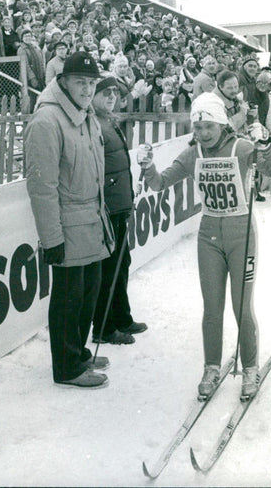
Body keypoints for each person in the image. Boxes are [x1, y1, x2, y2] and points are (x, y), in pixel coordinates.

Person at [136, 92, 271, 399]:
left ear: (221, 124)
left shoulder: (240, 147)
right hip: (209, 236)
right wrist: (148, 166)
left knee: (241, 307)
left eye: (209, 127)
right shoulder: (193, 154)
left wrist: (265, 146)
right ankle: (211, 367)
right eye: (198, 127)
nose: (203, 134)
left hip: (241, 234)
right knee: (211, 309)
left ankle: (250, 369)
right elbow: (159, 184)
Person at [23, 51, 114, 389]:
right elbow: (42, 187)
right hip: (67, 224)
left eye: (91, 83)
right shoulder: (47, 121)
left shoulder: (85, 114)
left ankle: (78, 352)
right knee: (68, 299)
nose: (88, 89)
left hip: (91, 220)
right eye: (80, 82)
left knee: (88, 293)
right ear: (63, 81)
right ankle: (66, 366)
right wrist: (52, 239)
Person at [89, 76, 147, 345]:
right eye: (105, 92)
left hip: (119, 203)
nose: (111, 97)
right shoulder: (93, 123)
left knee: (122, 262)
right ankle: (104, 326)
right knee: (110, 267)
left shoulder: (109, 120)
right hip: (107, 207)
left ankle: (122, 316)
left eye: (114, 93)